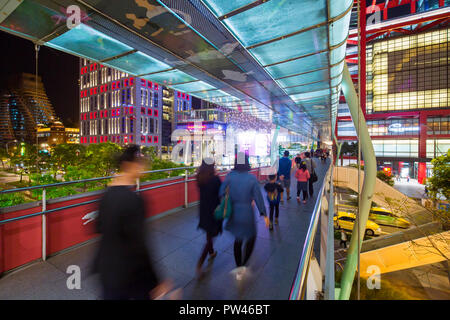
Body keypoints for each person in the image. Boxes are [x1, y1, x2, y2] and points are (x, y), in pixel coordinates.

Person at [94, 145, 171, 300]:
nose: (142, 168)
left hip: (107, 269)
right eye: (140, 164)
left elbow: (99, 227)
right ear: (129, 166)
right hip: (129, 273)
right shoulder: (134, 200)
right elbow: (139, 244)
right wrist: (155, 281)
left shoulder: (105, 195)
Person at [220, 152, 269, 280]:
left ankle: (238, 267)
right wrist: (264, 214)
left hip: (235, 212)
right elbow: (258, 198)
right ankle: (244, 264)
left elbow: (221, 192)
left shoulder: (230, 176)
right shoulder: (252, 178)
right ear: (247, 162)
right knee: (251, 238)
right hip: (247, 211)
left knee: (238, 240)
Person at [195, 158, 222, 277]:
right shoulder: (215, 179)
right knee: (212, 235)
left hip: (203, 210)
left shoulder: (199, 178)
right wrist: (217, 176)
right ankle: (199, 265)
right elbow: (220, 193)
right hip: (213, 211)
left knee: (208, 233)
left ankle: (211, 252)